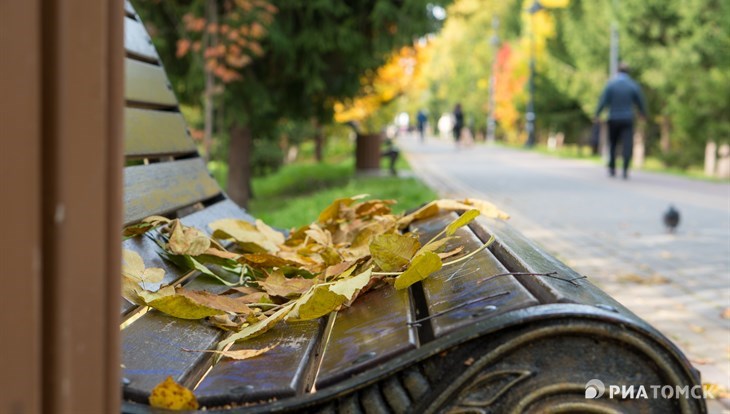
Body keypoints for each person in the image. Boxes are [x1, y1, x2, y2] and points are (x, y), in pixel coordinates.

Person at [594, 62, 647, 179]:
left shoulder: (611, 85)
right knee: (627, 144)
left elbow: (603, 101)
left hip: (613, 118)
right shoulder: (633, 85)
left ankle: (612, 168)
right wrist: (643, 113)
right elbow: (640, 101)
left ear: (617, 71)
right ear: (628, 72)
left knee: (613, 143)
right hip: (628, 118)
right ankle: (625, 170)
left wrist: (597, 114)